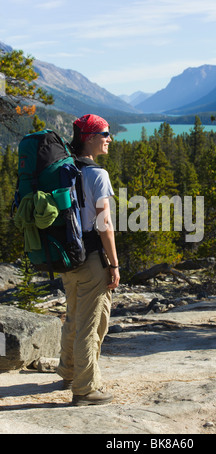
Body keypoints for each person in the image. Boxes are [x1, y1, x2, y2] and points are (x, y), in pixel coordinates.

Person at [56, 114, 120, 406]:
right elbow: (105, 225)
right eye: (105, 134)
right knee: (91, 325)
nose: (110, 139)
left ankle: (69, 371)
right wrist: (115, 264)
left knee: (73, 316)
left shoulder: (63, 168)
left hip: (67, 257)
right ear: (89, 137)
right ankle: (85, 389)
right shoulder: (97, 174)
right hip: (91, 257)